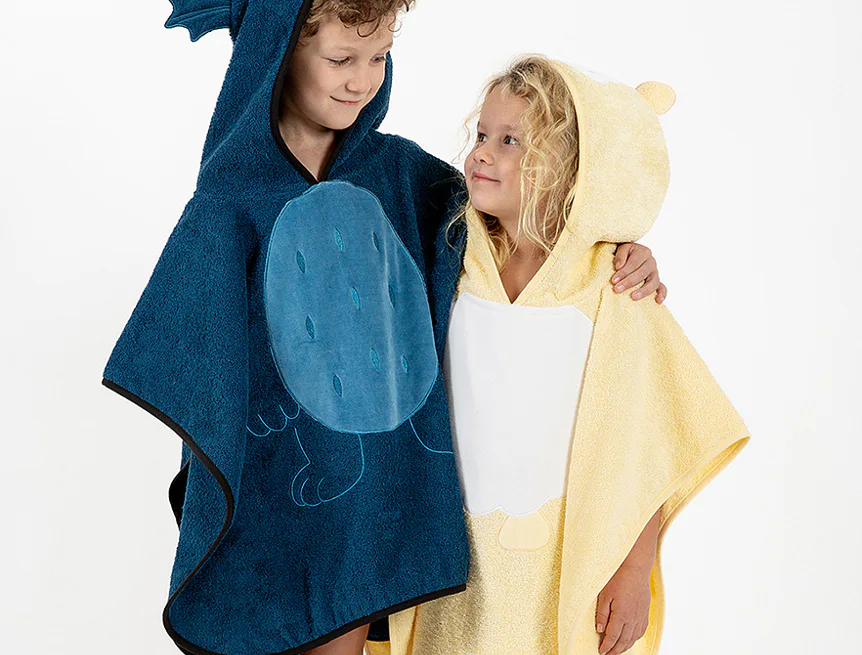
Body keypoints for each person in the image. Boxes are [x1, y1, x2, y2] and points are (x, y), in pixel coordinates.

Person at [102, 3, 667, 655]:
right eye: (341, 59)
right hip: (266, 483)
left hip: (365, 508)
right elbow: (199, 342)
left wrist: (614, 248)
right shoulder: (229, 199)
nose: (361, 80)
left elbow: (522, 221)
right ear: (278, 51)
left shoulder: (403, 176)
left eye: (379, 57)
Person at [367, 55, 750, 655]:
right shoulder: (451, 259)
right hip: (455, 570)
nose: (481, 154)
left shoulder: (611, 287)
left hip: (563, 569)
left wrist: (633, 568)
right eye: (481, 135)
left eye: (510, 141)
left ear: (569, 166)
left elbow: (644, 441)